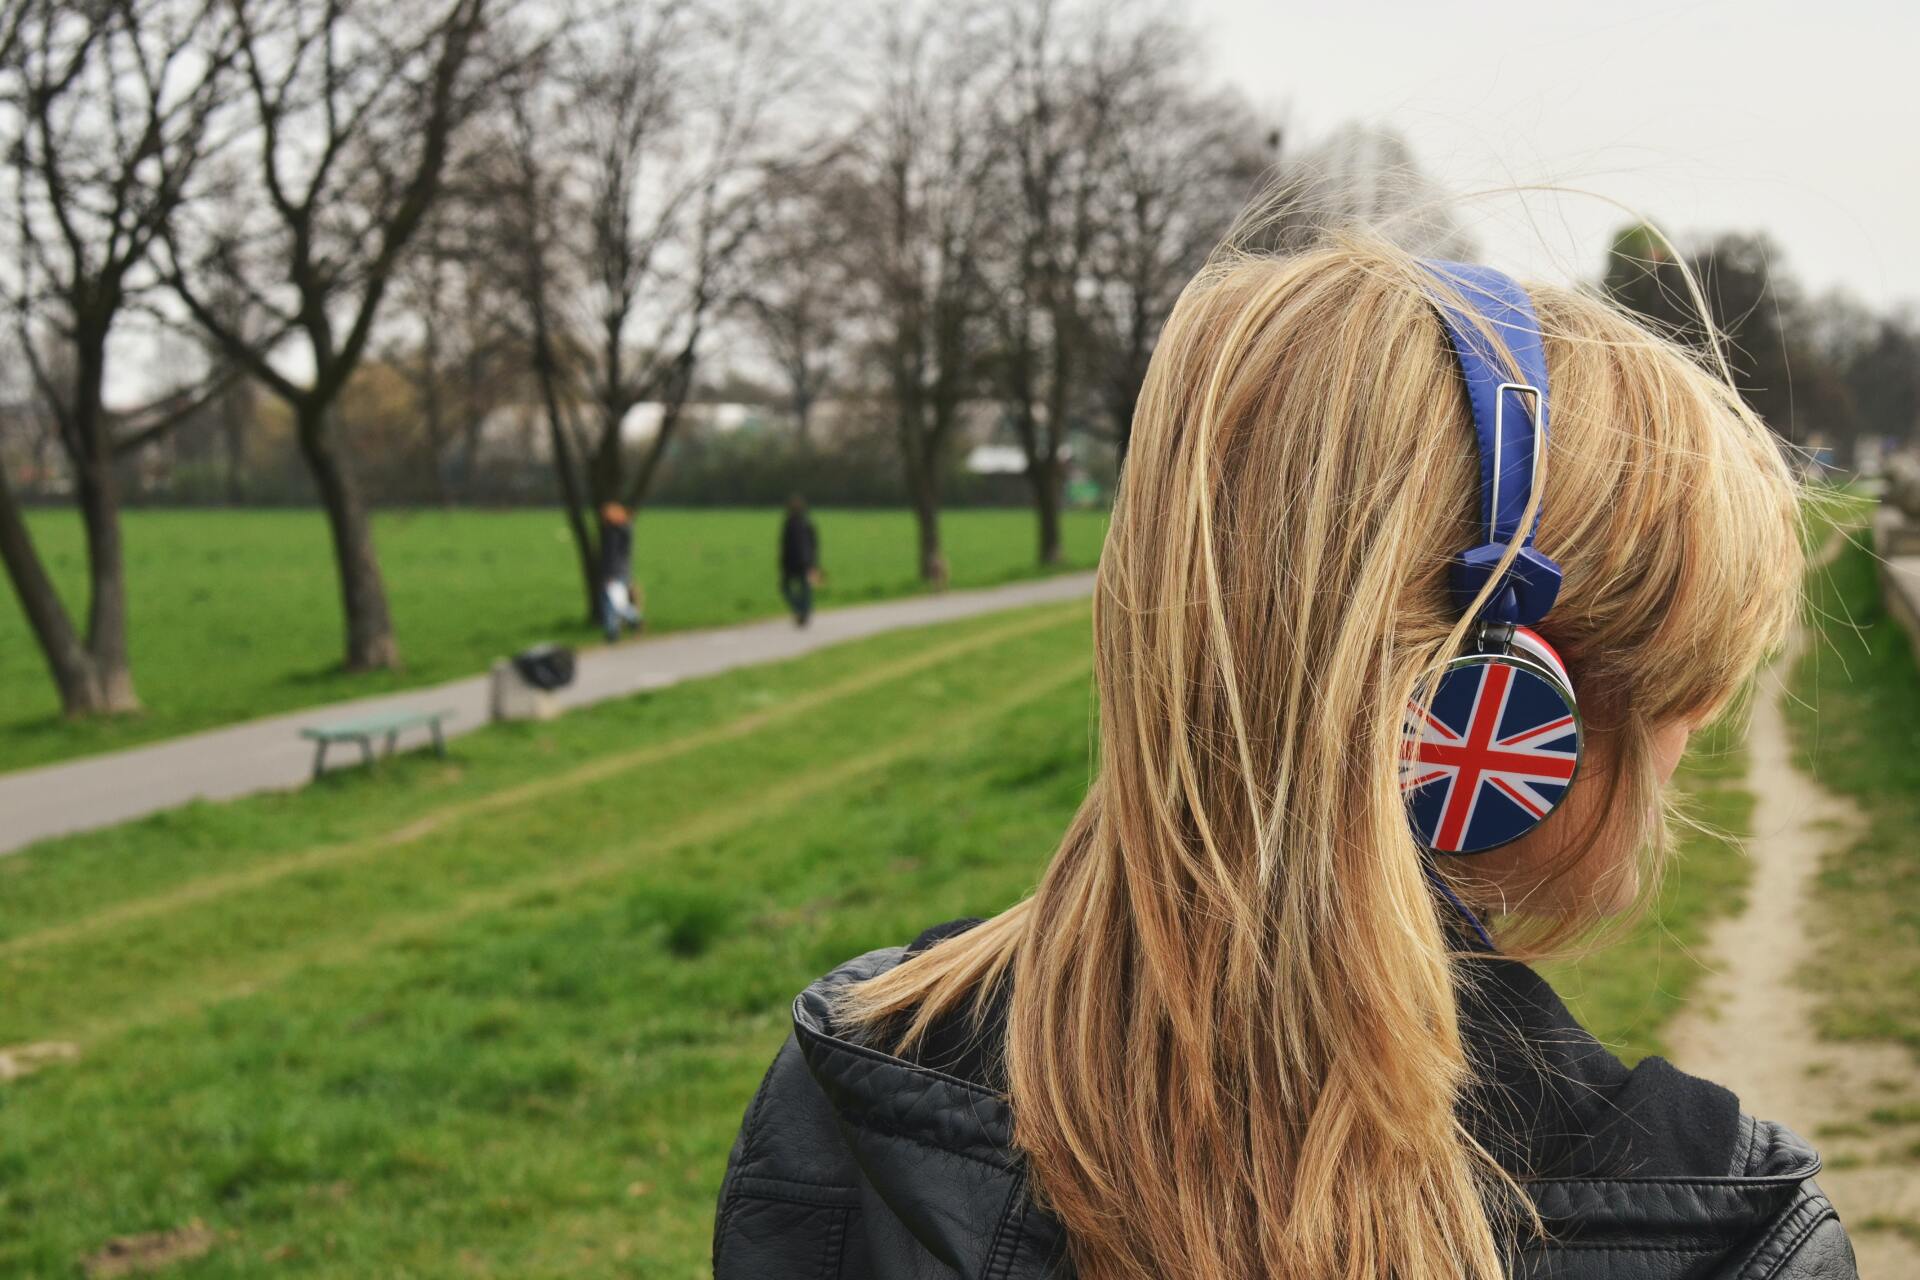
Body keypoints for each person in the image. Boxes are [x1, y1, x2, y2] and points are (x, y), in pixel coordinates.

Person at [713, 238, 1856, 1279]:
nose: (1694, 724)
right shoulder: (1726, 1235)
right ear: (1495, 705)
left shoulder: (854, 1076)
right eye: (1673, 679)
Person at [597, 502, 641, 642]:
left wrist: (609, 575)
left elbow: (612, 555)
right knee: (614, 602)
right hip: (622, 571)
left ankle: (630, 622)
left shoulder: (613, 533)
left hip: (614, 573)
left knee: (612, 604)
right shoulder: (625, 529)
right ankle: (616, 629)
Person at [779, 495, 820, 627]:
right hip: (807, 562)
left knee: (786, 588)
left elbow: (785, 546)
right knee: (806, 589)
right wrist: (814, 562)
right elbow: (814, 544)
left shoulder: (789, 523)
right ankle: (804, 612)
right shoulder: (808, 522)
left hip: (792, 563)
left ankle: (799, 610)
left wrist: (783, 563)